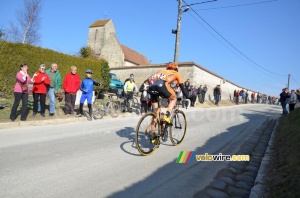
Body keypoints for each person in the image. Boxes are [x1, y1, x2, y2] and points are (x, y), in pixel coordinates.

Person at [148, 62, 189, 126]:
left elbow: (149, 79)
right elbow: (183, 89)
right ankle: (167, 115)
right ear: (176, 69)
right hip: (162, 85)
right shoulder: (176, 73)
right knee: (174, 99)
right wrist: (188, 96)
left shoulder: (160, 71)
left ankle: (153, 132)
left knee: (155, 113)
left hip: (151, 87)